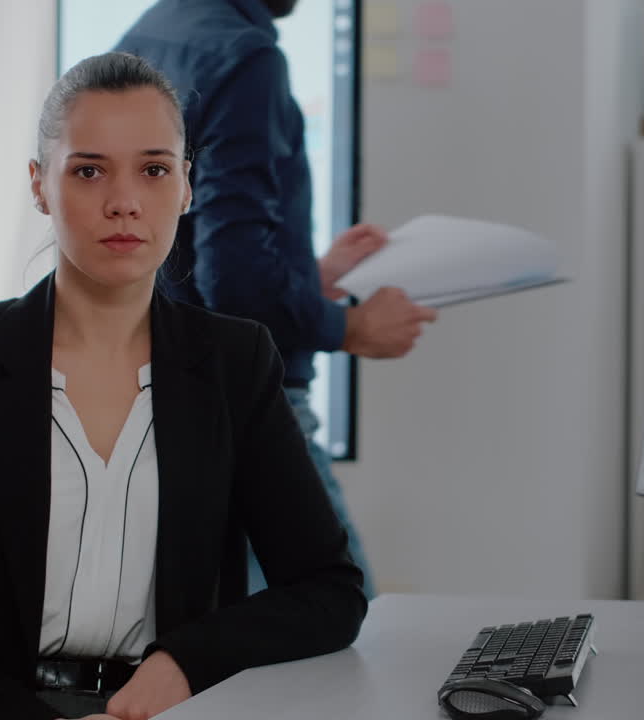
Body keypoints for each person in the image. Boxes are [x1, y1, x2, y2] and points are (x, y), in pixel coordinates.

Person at [0, 52, 367, 720]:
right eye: (89, 171)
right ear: (40, 185)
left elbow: (328, 589)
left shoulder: (234, 363)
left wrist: (184, 663)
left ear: (186, 186)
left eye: (154, 170)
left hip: (158, 709)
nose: (124, 202)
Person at [115, 0, 438, 599]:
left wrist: (305, 274)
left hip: (165, 390)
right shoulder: (248, 59)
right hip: (251, 405)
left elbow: (187, 258)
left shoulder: (151, 33)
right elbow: (238, 287)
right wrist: (349, 327)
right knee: (342, 620)